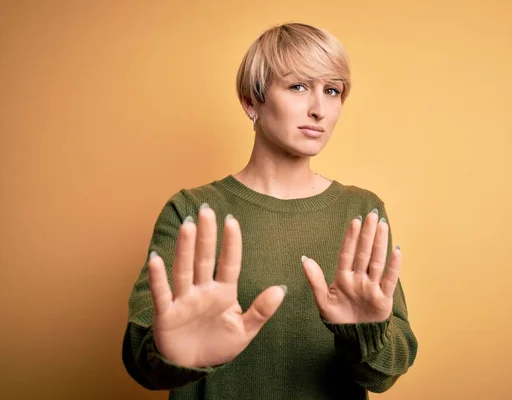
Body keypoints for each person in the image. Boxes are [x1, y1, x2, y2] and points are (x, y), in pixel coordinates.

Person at [122, 22, 418, 400]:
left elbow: (386, 373)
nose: (318, 109)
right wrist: (169, 353)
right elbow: (140, 356)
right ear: (252, 101)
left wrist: (366, 334)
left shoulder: (362, 210)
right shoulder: (192, 210)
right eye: (298, 86)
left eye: (332, 91)